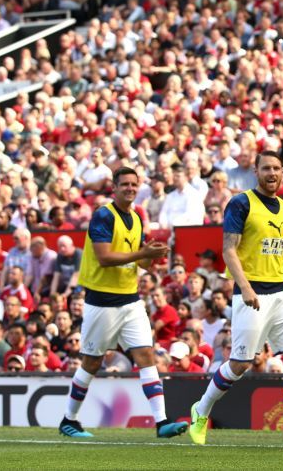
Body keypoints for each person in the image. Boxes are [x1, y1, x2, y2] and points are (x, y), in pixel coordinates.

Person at [188, 151, 283, 447]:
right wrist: (246, 287)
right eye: (266, 168)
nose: (272, 173)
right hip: (253, 293)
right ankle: (201, 410)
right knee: (240, 363)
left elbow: (279, 244)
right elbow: (229, 249)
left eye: (276, 168)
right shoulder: (241, 203)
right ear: (256, 171)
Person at [58, 167, 187, 439]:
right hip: (102, 301)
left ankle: (161, 422)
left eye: (133, 184)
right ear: (114, 188)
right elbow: (104, 257)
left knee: (146, 356)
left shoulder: (138, 217)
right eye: (124, 184)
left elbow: (140, 260)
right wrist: (143, 252)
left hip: (130, 300)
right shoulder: (103, 215)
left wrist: (152, 256)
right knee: (92, 363)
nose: (129, 188)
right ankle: (69, 420)